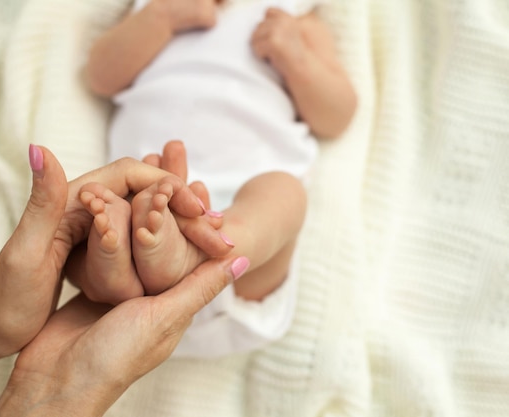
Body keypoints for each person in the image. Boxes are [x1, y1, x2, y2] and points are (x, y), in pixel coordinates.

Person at [0, 144, 250, 417]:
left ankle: (157, 254)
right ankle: (165, 254)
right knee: (276, 197)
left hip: (194, 190)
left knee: (279, 194)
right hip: (188, 200)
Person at [84, 0, 357, 355]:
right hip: (151, 217)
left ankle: (209, 248)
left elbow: (337, 116)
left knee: (283, 193)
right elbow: (100, 74)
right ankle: (149, 259)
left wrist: (296, 57)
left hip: (245, 254)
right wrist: (161, 17)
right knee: (111, 213)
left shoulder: (295, 17)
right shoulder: (151, 6)